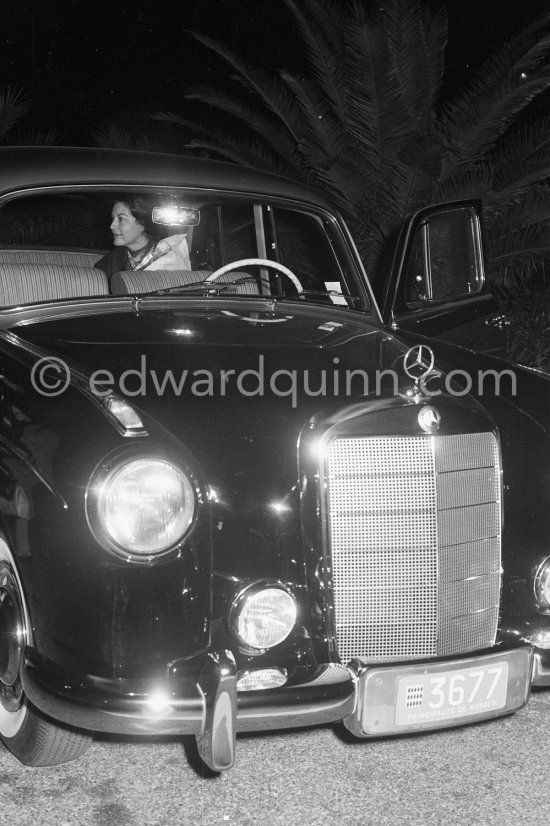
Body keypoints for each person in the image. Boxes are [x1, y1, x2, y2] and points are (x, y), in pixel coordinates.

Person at [95, 195, 191, 281]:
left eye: (121, 219)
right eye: (113, 219)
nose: (112, 226)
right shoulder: (111, 261)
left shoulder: (170, 257)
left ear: (141, 225)